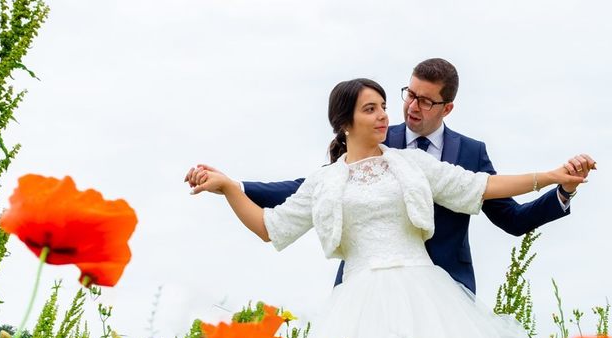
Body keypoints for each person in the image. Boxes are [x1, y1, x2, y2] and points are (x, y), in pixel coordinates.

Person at [184, 78, 595, 338]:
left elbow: (482, 185)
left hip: (427, 293)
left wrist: (553, 176)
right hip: (358, 300)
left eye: (383, 106)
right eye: (371, 109)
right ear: (345, 123)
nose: (384, 115)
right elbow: (269, 227)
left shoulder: (411, 163)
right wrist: (230, 188)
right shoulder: (325, 182)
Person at [243, 58, 594, 294]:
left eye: (425, 101)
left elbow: (512, 218)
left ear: (447, 107)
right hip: (366, 289)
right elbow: (310, 188)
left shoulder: (471, 153)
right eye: (410, 94)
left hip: (445, 293)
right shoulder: (377, 138)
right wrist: (238, 187)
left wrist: (561, 188)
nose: (412, 106)